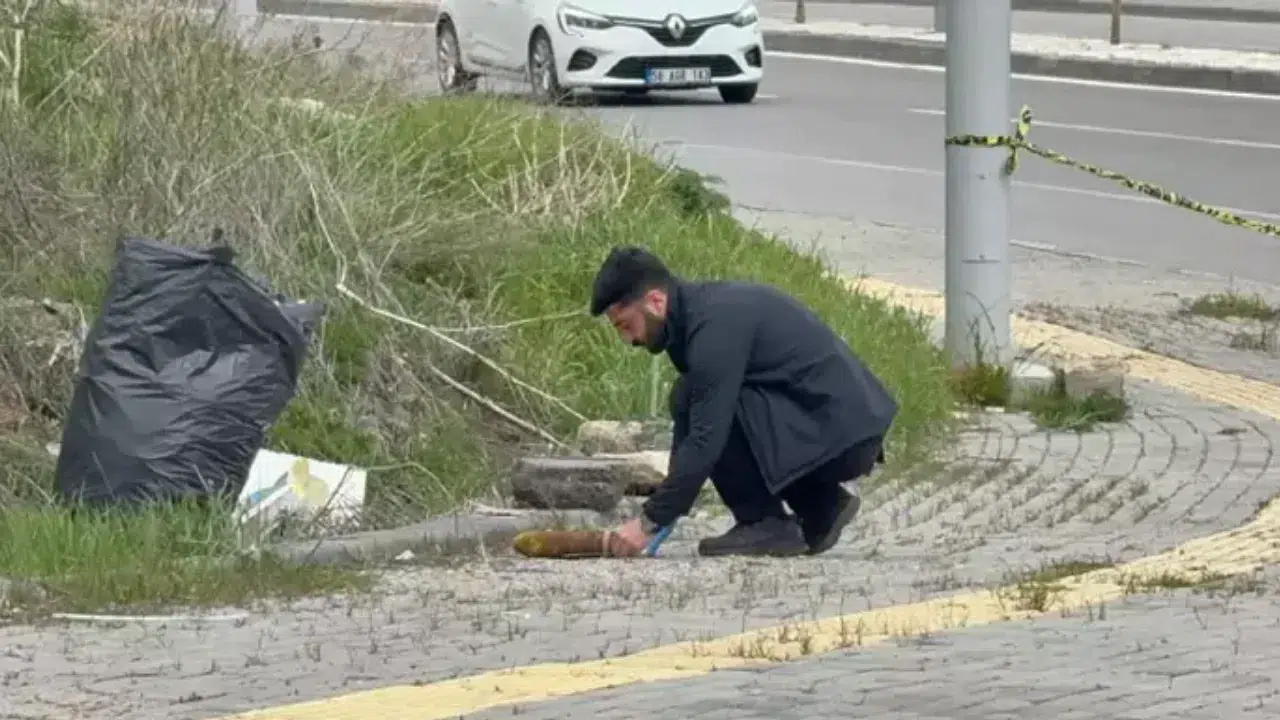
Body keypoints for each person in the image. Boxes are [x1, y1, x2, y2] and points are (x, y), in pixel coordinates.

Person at [589, 246, 898, 558]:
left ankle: (763, 522)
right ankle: (821, 505)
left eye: (626, 326)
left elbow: (706, 438)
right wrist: (665, 511)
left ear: (655, 301)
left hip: (841, 434)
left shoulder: (713, 329)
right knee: (691, 395)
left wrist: (649, 521)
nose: (629, 341)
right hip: (834, 427)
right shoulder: (698, 316)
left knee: (716, 408)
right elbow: (688, 431)